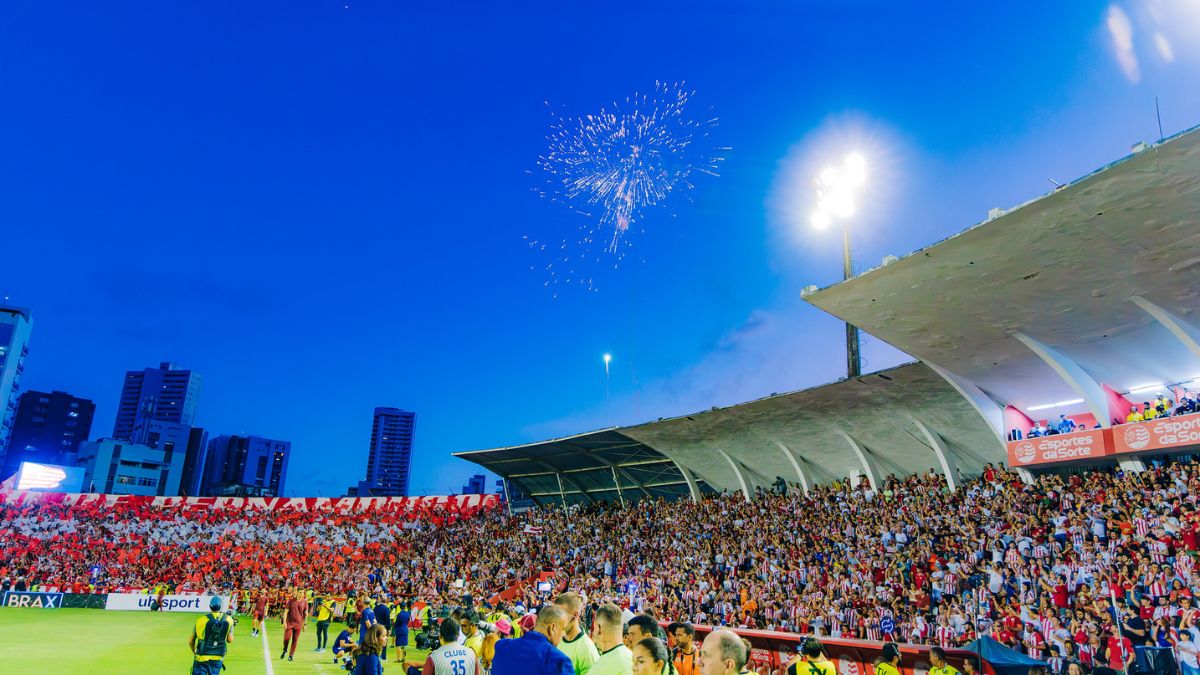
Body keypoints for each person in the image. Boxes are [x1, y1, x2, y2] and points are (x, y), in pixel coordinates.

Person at [491, 605, 573, 675]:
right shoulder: (559, 661)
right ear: (552, 628)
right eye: (563, 629)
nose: (564, 634)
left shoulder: (502, 646)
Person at [556, 592, 600, 675]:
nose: (557, 620)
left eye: (561, 615)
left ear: (575, 615)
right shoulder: (557, 640)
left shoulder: (586, 649)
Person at [189, 597, 234, 675]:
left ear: (210, 606)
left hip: (201, 655)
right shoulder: (229, 619)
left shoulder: (201, 620)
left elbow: (191, 641)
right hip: (218, 657)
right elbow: (230, 640)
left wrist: (194, 650)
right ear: (221, 606)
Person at [591, 603, 633, 675]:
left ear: (599, 628)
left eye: (594, 629)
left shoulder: (619, 662)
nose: (593, 633)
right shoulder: (630, 659)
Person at [281, 588, 308, 662]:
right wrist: (284, 622)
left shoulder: (305, 602)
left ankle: (291, 655)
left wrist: (305, 624)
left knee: (295, 640)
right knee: (286, 639)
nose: (301, 594)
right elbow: (286, 612)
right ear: (297, 592)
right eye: (300, 592)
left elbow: (306, 614)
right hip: (289, 623)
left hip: (298, 624)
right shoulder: (291, 601)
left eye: (303, 592)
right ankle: (285, 649)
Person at [374, 596, 392, 661]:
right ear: (386, 601)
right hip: (383, 628)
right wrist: (389, 629)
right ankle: (383, 656)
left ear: (380, 600)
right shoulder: (386, 609)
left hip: (376, 627)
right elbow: (387, 619)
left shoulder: (375, 608)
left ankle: (375, 655)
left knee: (376, 641)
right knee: (384, 642)